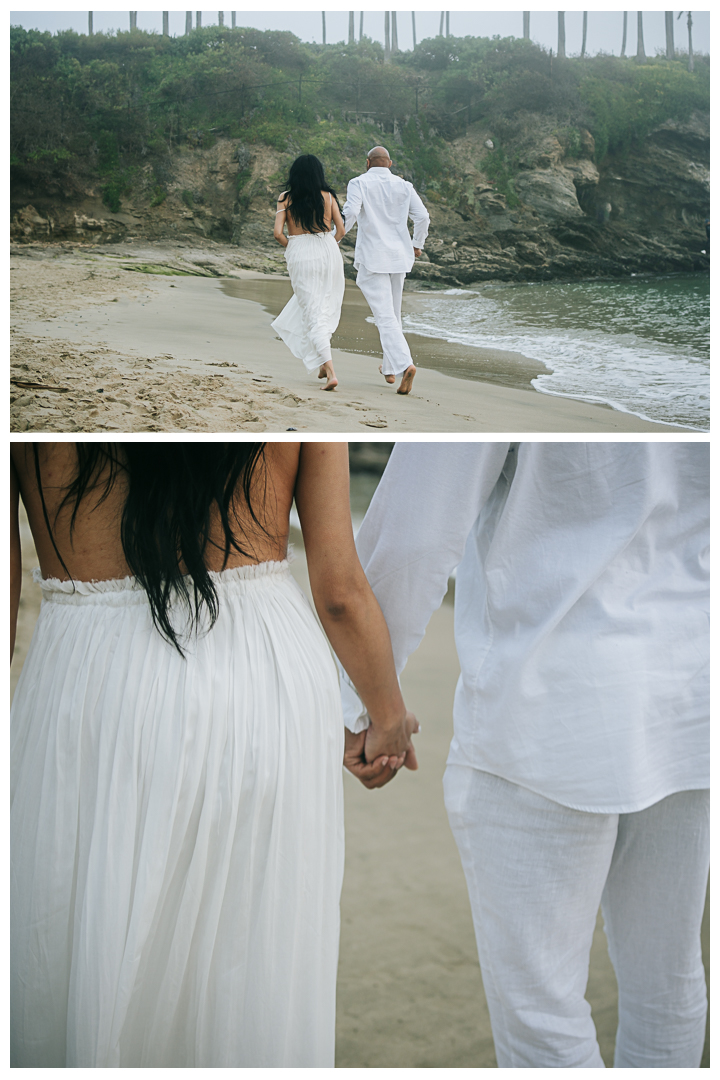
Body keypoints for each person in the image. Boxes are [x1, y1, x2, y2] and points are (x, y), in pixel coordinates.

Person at [10, 442, 417, 1068]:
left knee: (80, 918)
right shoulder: (290, 370)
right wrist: (385, 717)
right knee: (250, 955)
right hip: (262, 675)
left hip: (88, 674)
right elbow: (339, 592)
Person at [341, 442, 709, 1068]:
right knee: (668, 978)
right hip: (692, 693)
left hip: (548, 707)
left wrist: (369, 707)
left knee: (541, 1011)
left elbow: (415, 538)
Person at [341, 146, 430, 396]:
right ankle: (389, 368)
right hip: (399, 258)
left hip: (374, 257)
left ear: (367, 163)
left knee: (384, 316)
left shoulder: (359, 182)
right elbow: (423, 218)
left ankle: (404, 365)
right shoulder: (404, 186)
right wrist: (417, 245)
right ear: (389, 164)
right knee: (393, 314)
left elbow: (350, 213)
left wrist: (334, 238)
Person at [271, 155, 346, 390]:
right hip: (328, 250)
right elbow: (341, 230)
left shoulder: (285, 198)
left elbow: (278, 233)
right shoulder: (328, 197)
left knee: (313, 311)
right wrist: (326, 247)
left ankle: (331, 371)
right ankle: (323, 364)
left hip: (300, 250)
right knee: (324, 304)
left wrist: (294, 248)